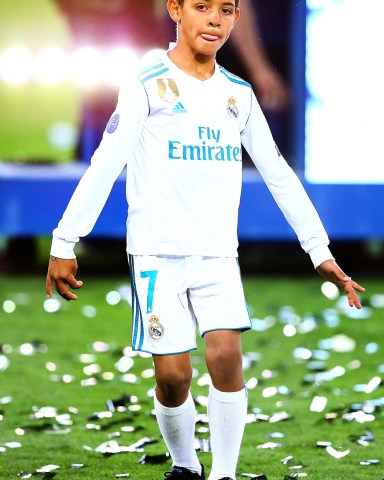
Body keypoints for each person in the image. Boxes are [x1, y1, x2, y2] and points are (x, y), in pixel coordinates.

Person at [46, 1, 365, 479]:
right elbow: (106, 162)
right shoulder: (146, 84)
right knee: (173, 379)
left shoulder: (239, 95)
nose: (214, 19)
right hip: (156, 255)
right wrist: (64, 241)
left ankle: (224, 474)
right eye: (202, 6)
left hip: (217, 256)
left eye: (227, 10)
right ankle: (185, 464)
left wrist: (318, 249)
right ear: (175, 9)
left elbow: (279, 174)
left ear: (237, 19)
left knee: (226, 356)